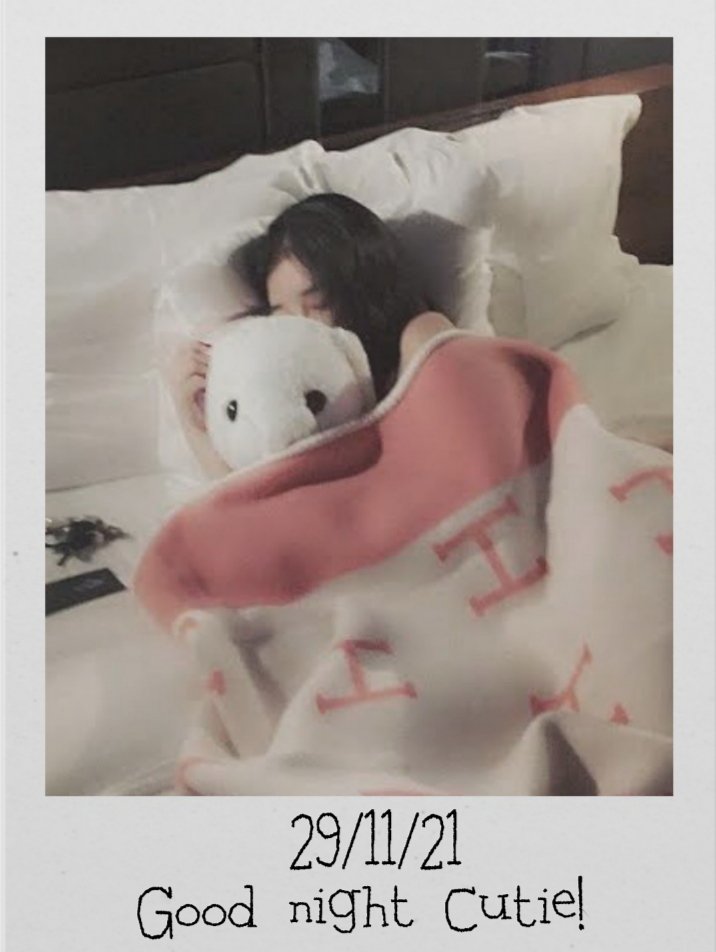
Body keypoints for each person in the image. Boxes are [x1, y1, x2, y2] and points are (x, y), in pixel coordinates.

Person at [167, 193, 454, 477]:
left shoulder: (421, 337)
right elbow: (255, 501)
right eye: (282, 314)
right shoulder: (297, 413)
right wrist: (195, 423)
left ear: (365, 289)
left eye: (319, 303)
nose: (300, 325)